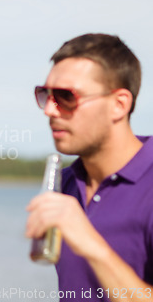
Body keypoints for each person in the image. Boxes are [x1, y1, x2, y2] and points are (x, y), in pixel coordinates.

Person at [25, 33, 153, 302]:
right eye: (45, 94)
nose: (49, 109)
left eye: (65, 96)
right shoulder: (66, 184)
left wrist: (91, 244)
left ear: (119, 104)